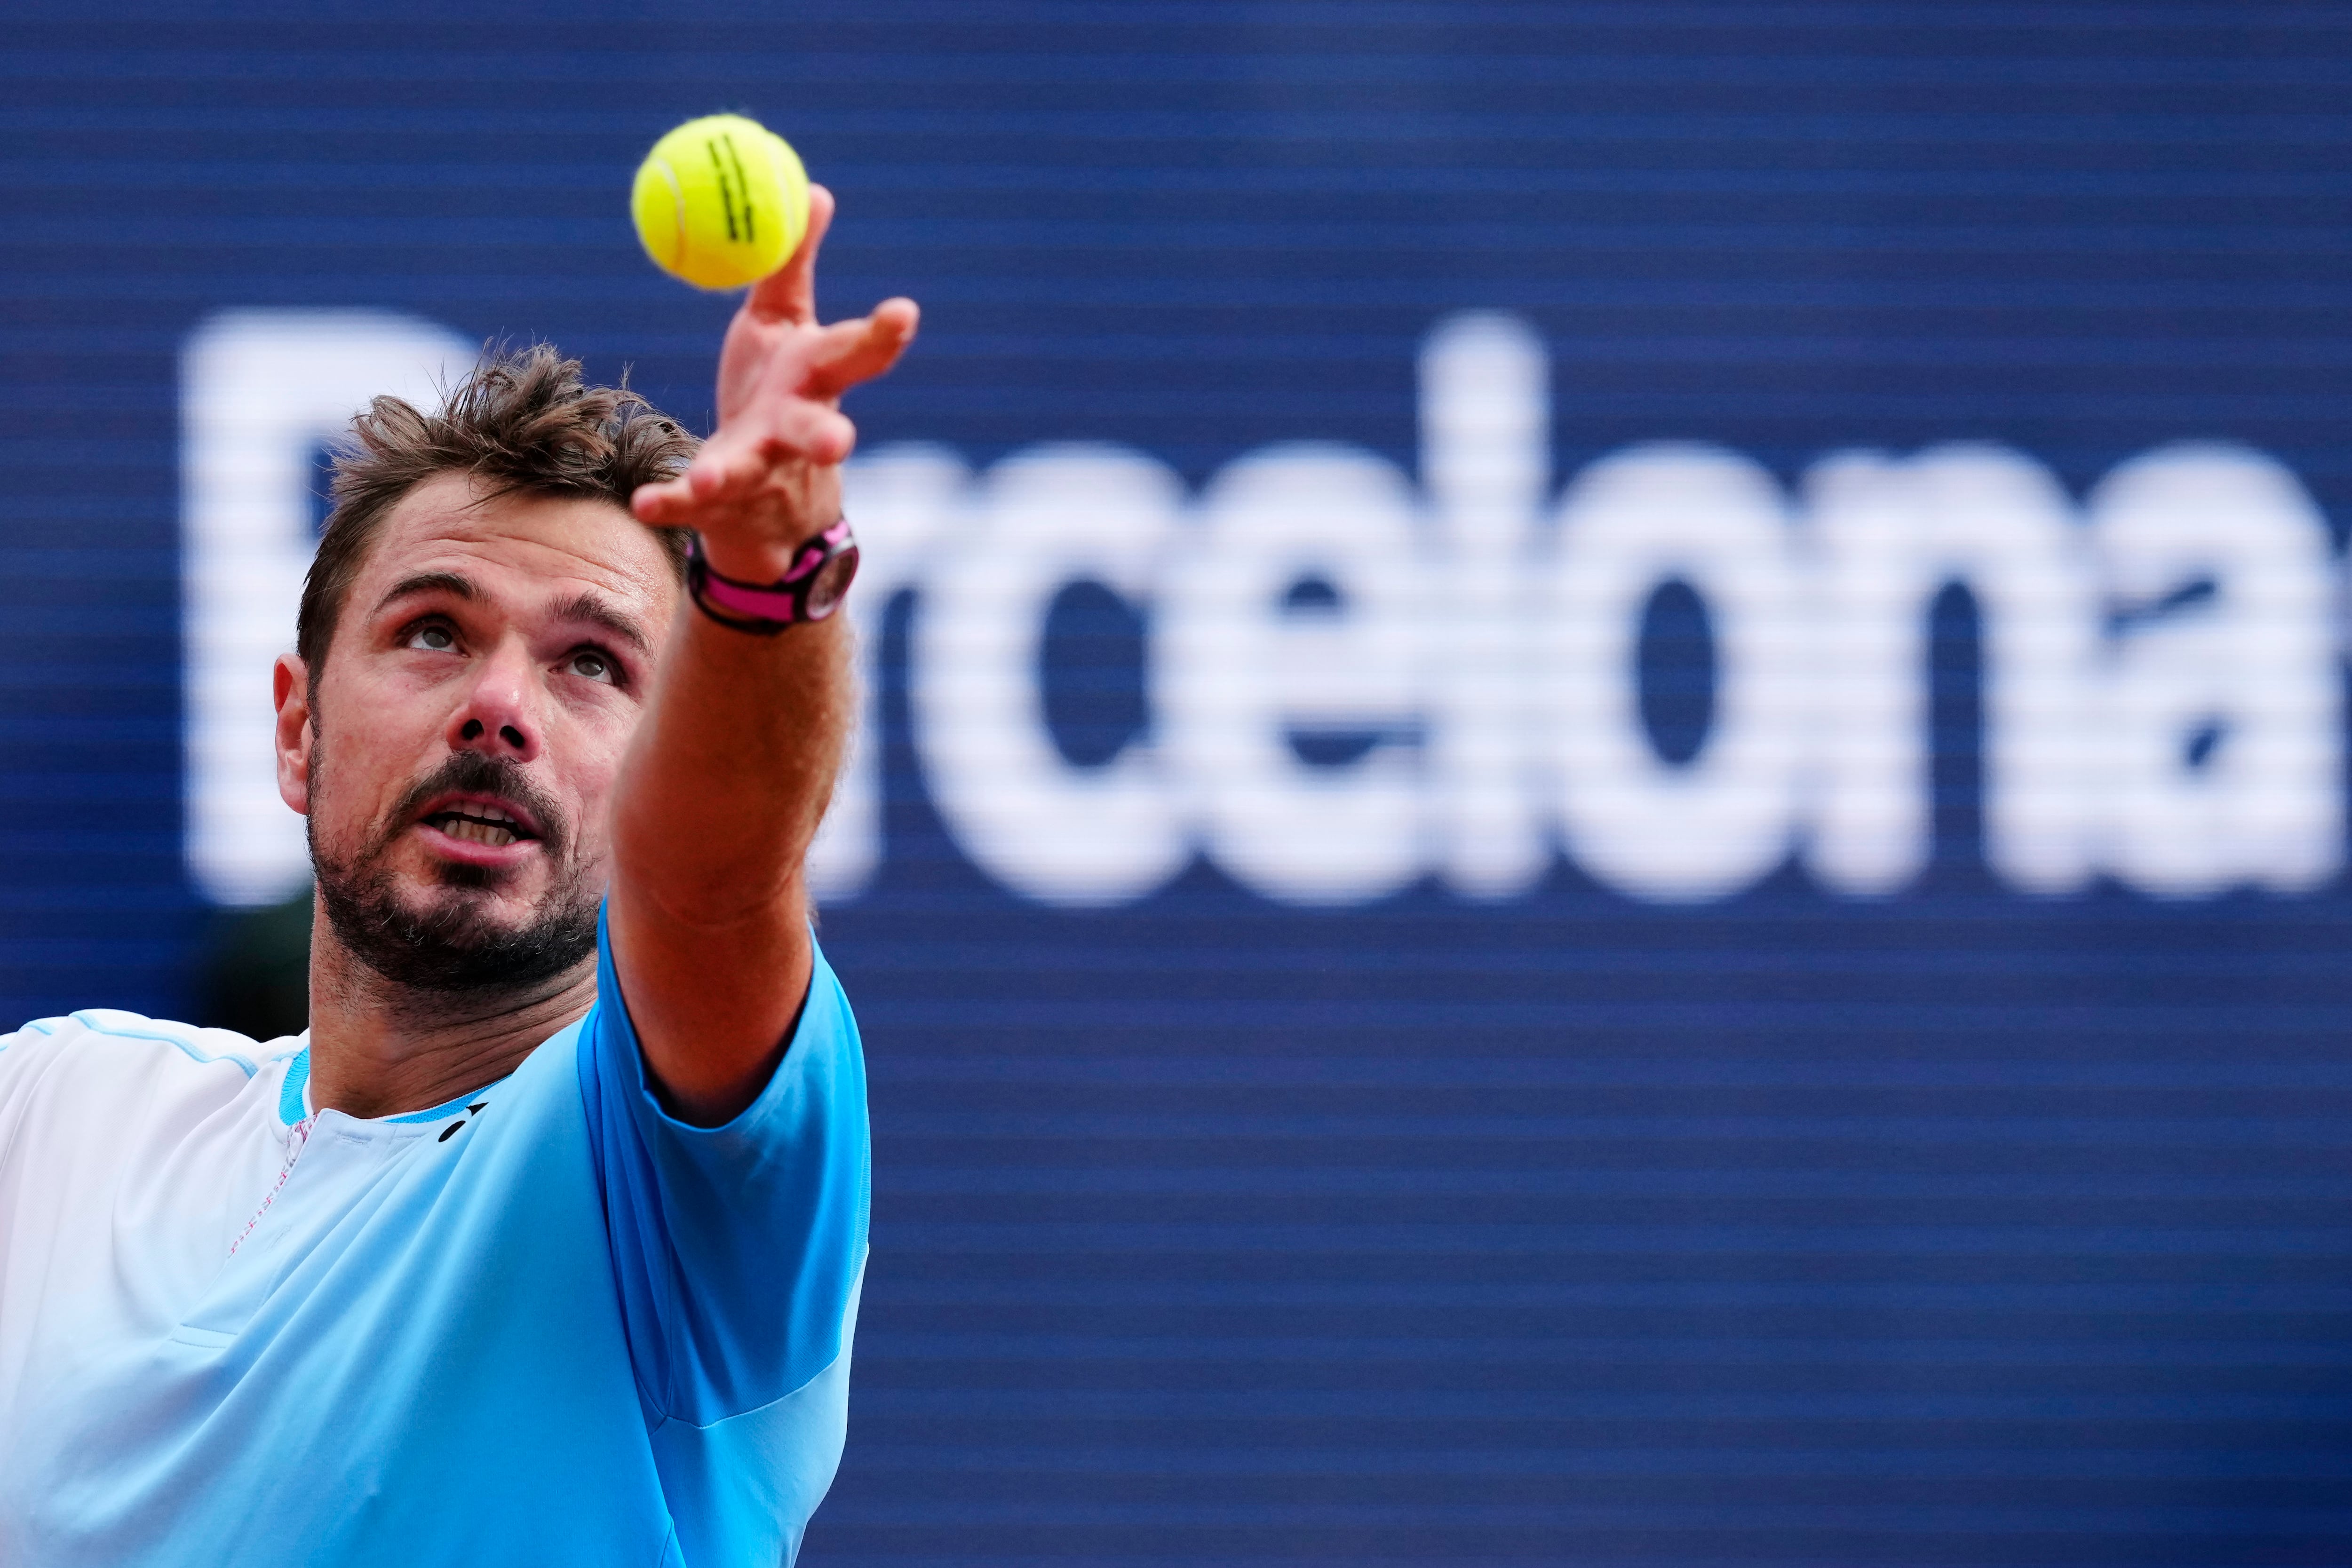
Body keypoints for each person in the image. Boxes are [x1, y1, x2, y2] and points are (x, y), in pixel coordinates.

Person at [0, 187, 916, 1567]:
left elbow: (716, 881)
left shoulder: (671, 1199)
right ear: (298, 727)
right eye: (434, 632)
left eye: (593, 665)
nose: (501, 709)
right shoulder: (56, 1114)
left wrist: (767, 575)